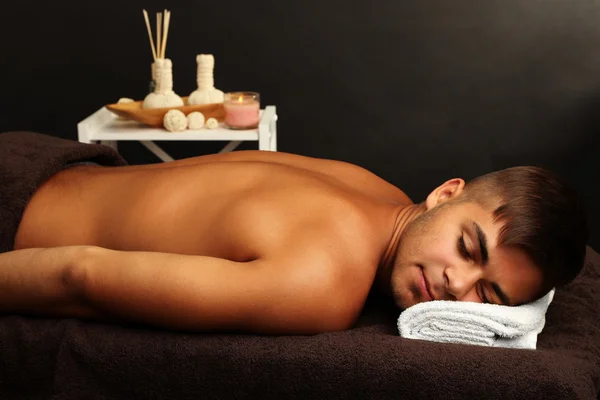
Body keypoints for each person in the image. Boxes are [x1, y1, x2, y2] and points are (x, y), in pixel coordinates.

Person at [0, 149, 588, 334]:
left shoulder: (374, 189)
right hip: (18, 217)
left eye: (489, 299)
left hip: (44, 162)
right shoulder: (323, 285)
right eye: (469, 248)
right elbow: (81, 277)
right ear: (445, 194)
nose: (454, 289)